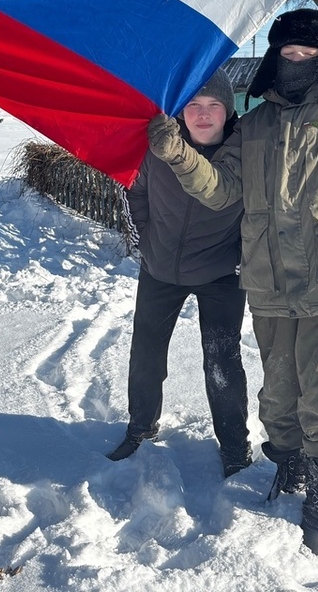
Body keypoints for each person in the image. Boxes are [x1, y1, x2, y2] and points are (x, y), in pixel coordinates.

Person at [146, 0, 318, 558]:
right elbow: (221, 190)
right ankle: (291, 464)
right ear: (274, 58)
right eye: (287, 51)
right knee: (279, 398)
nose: (297, 60)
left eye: (309, 51)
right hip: (272, 283)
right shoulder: (252, 126)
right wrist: (177, 153)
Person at [111, 68, 251, 478]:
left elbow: (262, 210)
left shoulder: (245, 154)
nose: (203, 115)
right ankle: (140, 427)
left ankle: (234, 447)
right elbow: (133, 189)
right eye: (194, 105)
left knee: (222, 362)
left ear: (228, 111)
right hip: (161, 267)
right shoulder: (158, 145)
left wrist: (242, 255)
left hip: (220, 273)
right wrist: (145, 239)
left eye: (214, 105)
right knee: (146, 354)